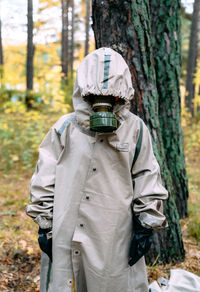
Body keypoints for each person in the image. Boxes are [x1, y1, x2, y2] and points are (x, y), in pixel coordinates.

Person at [26, 47, 168, 292]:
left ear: (121, 96)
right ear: (83, 93)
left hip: (114, 232)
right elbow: (44, 178)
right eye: (94, 97)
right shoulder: (65, 128)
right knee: (67, 281)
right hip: (66, 228)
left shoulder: (135, 129)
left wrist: (146, 224)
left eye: (111, 98)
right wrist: (45, 224)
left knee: (111, 281)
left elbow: (147, 174)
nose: (103, 105)